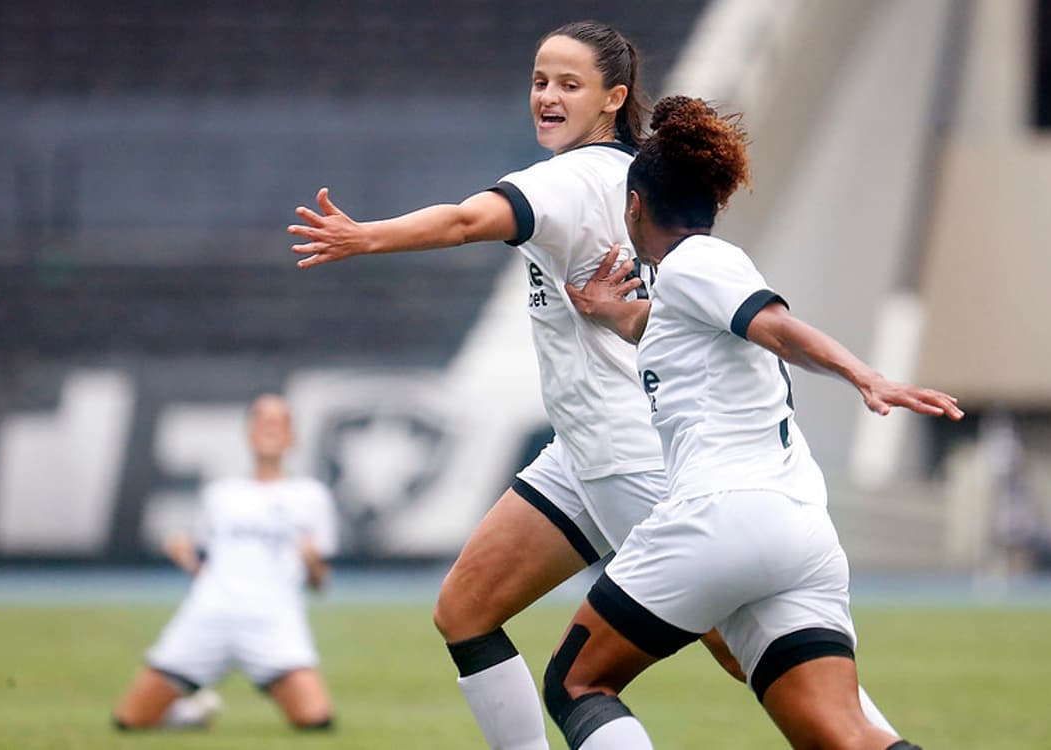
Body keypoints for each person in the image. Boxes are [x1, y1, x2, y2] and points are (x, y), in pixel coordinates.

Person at [285, 21, 776, 750]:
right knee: (466, 609)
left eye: (568, 84)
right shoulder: (644, 175)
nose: (546, 96)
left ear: (614, 97)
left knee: (751, 653)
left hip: (633, 458)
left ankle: (866, 734)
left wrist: (367, 237)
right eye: (540, 81)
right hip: (584, 454)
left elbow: (462, 222)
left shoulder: (564, 179)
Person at [544, 95, 964, 749]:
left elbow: (777, 327)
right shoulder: (684, 291)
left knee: (577, 681)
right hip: (798, 531)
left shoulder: (699, 262)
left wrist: (865, 374)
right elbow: (664, 328)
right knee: (845, 736)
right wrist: (608, 311)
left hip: (721, 514)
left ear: (634, 207)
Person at [112, 394, 340, 732]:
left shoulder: (311, 497)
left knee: (315, 720)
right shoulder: (221, 495)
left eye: (280, 422)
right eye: (263, 420)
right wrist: (186, 557)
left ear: (293, 437)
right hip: (209, 615)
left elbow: (320, 583)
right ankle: (187, 716)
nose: (270, 428)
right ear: (248, 432)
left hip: (273, 621)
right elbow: (211, 568)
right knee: (130, 720)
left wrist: (311, 563)